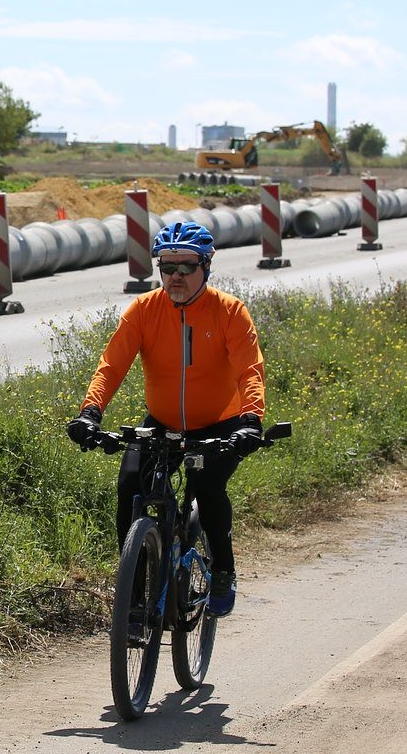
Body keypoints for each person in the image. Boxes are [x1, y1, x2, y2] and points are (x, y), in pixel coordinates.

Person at [65, 220, 266, 617]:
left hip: (221, 424)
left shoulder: (229, 312)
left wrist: (251, 420)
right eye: (166, 267)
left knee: (207, 488)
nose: (175, 276)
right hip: (162, 421)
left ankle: (223, 570)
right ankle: (135, 589)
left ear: (206, 267)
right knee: (129, 486)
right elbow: (112, 365)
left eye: (186, 267)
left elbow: (250, 372)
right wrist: (90, 412)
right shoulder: (144, 310)